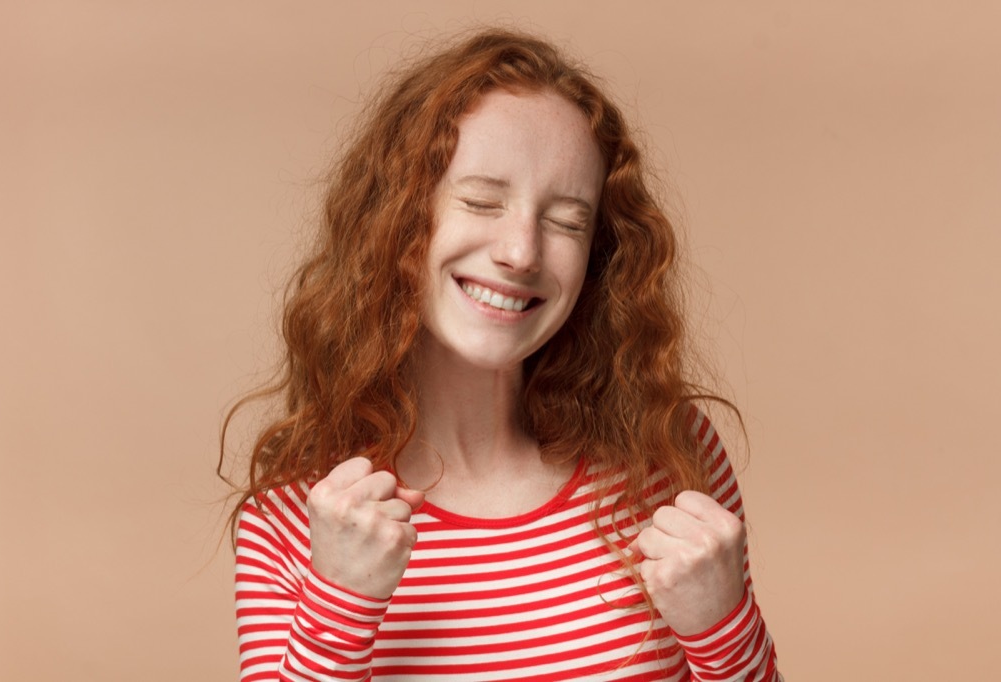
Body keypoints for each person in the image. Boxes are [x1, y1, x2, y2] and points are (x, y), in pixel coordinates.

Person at [222, 29, 782, 681]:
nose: (522, 251)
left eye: (568, 221)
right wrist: (340, 605)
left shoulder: (666, 452)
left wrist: (723, 625)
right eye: (482, 201)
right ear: (399, 222)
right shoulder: (295, 512)